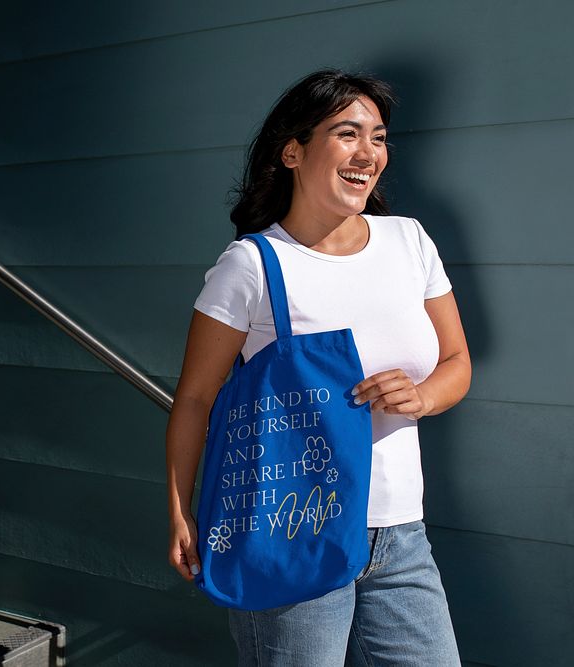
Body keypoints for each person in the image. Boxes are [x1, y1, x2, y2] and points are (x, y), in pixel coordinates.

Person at [165, 69, 470, 666]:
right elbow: (196, 398)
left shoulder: (408, 242)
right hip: (292, 526)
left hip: (400, 533)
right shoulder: (253, 265)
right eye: (348, 133)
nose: (368, 154)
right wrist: (180, 513)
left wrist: (423, 397)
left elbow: (457, 361)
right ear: (293, 150)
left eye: (379, 137)